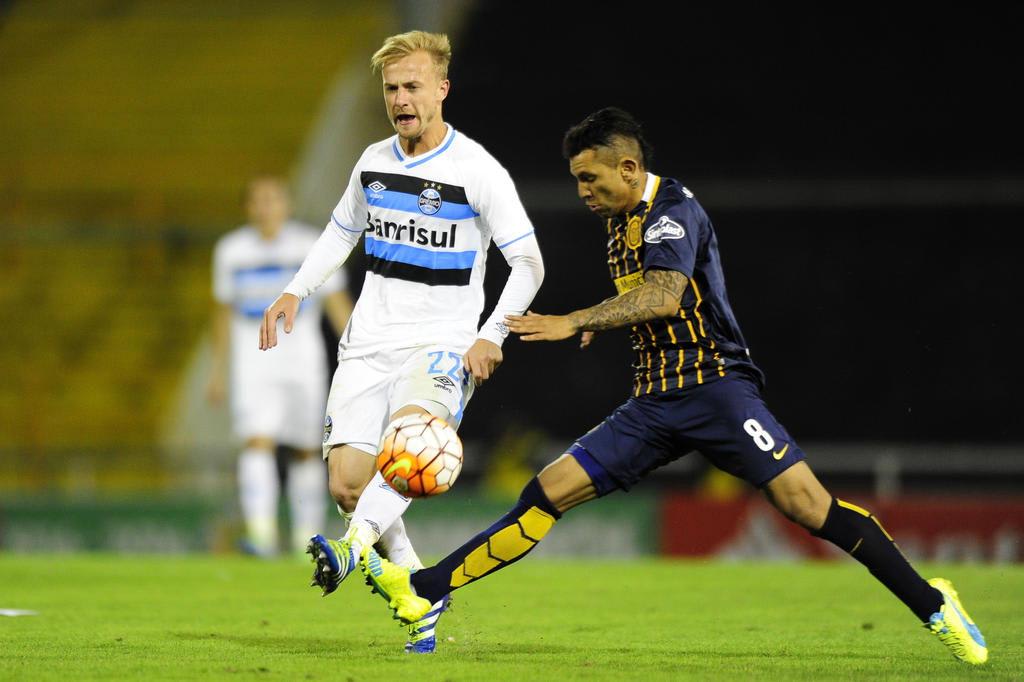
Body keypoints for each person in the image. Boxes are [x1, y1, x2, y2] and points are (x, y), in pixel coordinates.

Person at [356, 107, 989, 665]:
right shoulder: (617, 221)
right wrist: (600, 323)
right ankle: (426, 591)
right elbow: (640, 301)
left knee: (808, 508)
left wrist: (577, 318)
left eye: (589, 177)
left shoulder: (673, 210)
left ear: (628, 167)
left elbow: (663, 296)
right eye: (576, 178)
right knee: (547, 490)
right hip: (654, 402)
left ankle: (936, 605)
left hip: (717, 391)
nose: (582, 191)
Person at [258, 31, 544, 653]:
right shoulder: (372, 162)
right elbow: (340, 235)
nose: (400, 99)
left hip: (442, 345)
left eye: (412, 85)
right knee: (347, 485)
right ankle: (417, 595)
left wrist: (491, 334)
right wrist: (295, 292)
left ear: (442, 89)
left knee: (410, 447)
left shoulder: (476, 170)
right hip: (367, 344)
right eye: (391, 88)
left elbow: (528, 263)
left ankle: (351, 551)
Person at [208, 176, 353, 557]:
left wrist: (358, 356)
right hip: (252, 362)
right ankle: (261, 533)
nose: (266, 208)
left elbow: (337, 303)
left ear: (286, 205)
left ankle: (306, 535)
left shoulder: (311, 245)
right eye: (258, 201)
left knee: (306, 447)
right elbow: (222, 314)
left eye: (273, 200)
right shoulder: (231, 250)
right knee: (257, 440)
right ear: (248, 207)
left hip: (303, 361)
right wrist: (218, 371)